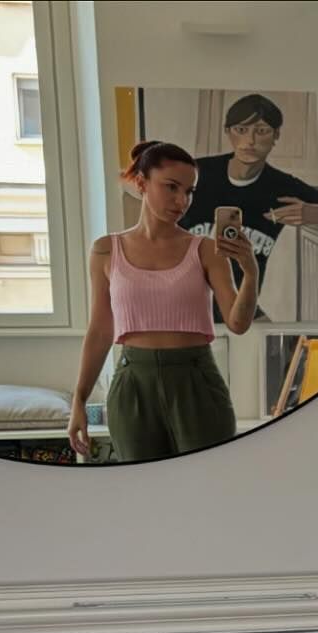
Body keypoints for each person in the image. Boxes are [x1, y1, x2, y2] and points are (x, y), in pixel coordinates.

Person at [68, 140, 256, 463]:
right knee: (142, 488)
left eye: (189, 191)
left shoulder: (205, 250)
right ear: (142, 183)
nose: (182, 201)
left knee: (207, 483)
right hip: (133, 386)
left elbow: (238, 323)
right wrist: (79, 401)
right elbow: (99, 331)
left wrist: (250, 273)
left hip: (196, 383)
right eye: (171, 187)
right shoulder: (105, 251)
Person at [180, 93, 318, 316]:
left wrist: (315, 214)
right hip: (182, 304)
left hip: (240, 309)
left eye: (262, 131)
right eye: (241, 130)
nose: (250, 140)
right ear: (228, 132)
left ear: (276, 135)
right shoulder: (197, 173)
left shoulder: (282, 186)